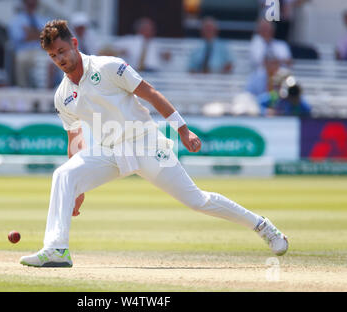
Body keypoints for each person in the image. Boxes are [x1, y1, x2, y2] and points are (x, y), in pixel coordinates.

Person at [19, 20, 289, 268]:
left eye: (63, 51)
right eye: (53, 56)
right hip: (108, 152)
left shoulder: (108, 66)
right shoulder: (62, 95)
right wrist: (77, 189)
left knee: (197, 200)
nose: (60, 59)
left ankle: (262, 226)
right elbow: (75, 138)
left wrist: (182, 130)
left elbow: (150, 93)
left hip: (144, 143)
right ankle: (57, 249)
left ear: (75, 44)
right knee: (64, 175)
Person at [8, 0, 49, 87]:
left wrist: (29, 32)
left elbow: (48, 38)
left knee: (48, 61)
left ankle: (45, 92)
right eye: (28, 1)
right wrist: (38, 33)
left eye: (33, 1)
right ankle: (23, 91)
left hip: (40, 51)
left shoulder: (42, 19)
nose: (31, 4)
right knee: (21, 59)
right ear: (24, 2)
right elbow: (18, 38)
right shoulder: (17, 20)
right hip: (24, 51)